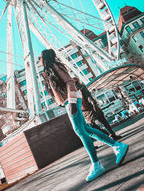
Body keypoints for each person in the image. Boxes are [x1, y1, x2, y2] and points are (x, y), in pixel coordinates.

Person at [40, 49, 129, 182]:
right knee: (87, 130)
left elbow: (69, 82)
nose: (39, 60)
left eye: (40, 57)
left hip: (72, 100)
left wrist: (71, 102)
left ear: (45, 57)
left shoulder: (54, 66)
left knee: (79, 131)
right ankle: (117, 146)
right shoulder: (48, 71)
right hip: (69, 101)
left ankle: (96, 164)